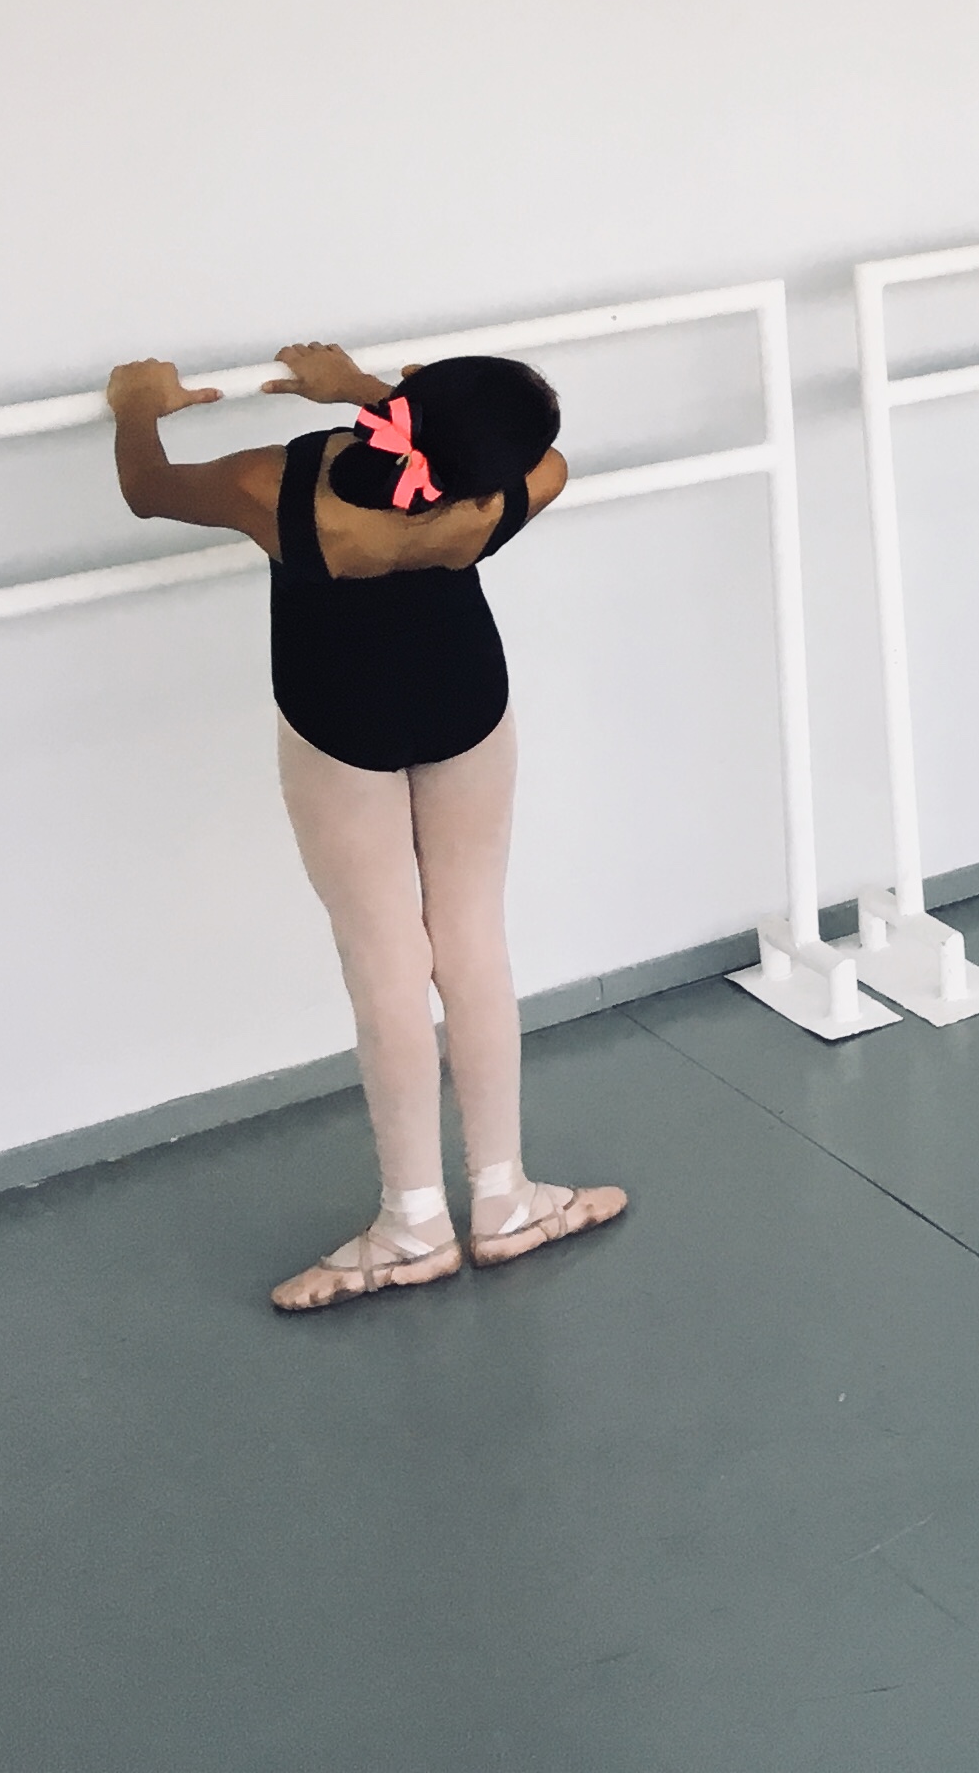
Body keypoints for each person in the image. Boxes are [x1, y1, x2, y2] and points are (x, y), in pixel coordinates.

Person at [104, 344, 624, 1312]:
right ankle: (504, 1197)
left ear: (411, 406)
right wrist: (368, 392)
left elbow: (148, 490)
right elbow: (451, 457)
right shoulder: (523, 486)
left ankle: (413, 1221)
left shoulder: (276, 485)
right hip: (466, 701)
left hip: (337, 719)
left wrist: (140, 406)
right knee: (472, 940)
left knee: (386, 956)